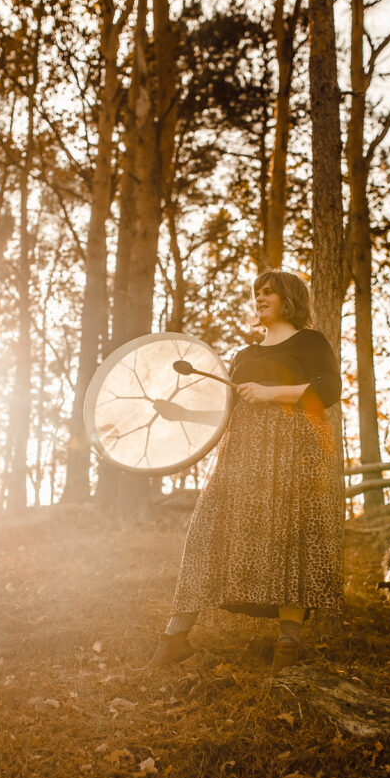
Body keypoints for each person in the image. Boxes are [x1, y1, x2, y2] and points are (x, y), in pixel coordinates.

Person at [147, 269, 344, 676]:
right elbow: (227, 411)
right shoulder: (242, 355)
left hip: (297, 450)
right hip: (242, 454)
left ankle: (288, 644)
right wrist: (183, 413)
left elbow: (329, 390)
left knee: (291, 537)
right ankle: (175, 638)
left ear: (289, 298)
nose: (260, 299)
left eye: (269, 292)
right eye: (257, 293)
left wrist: (271, 393)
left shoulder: (310, 341)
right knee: (206, 531)